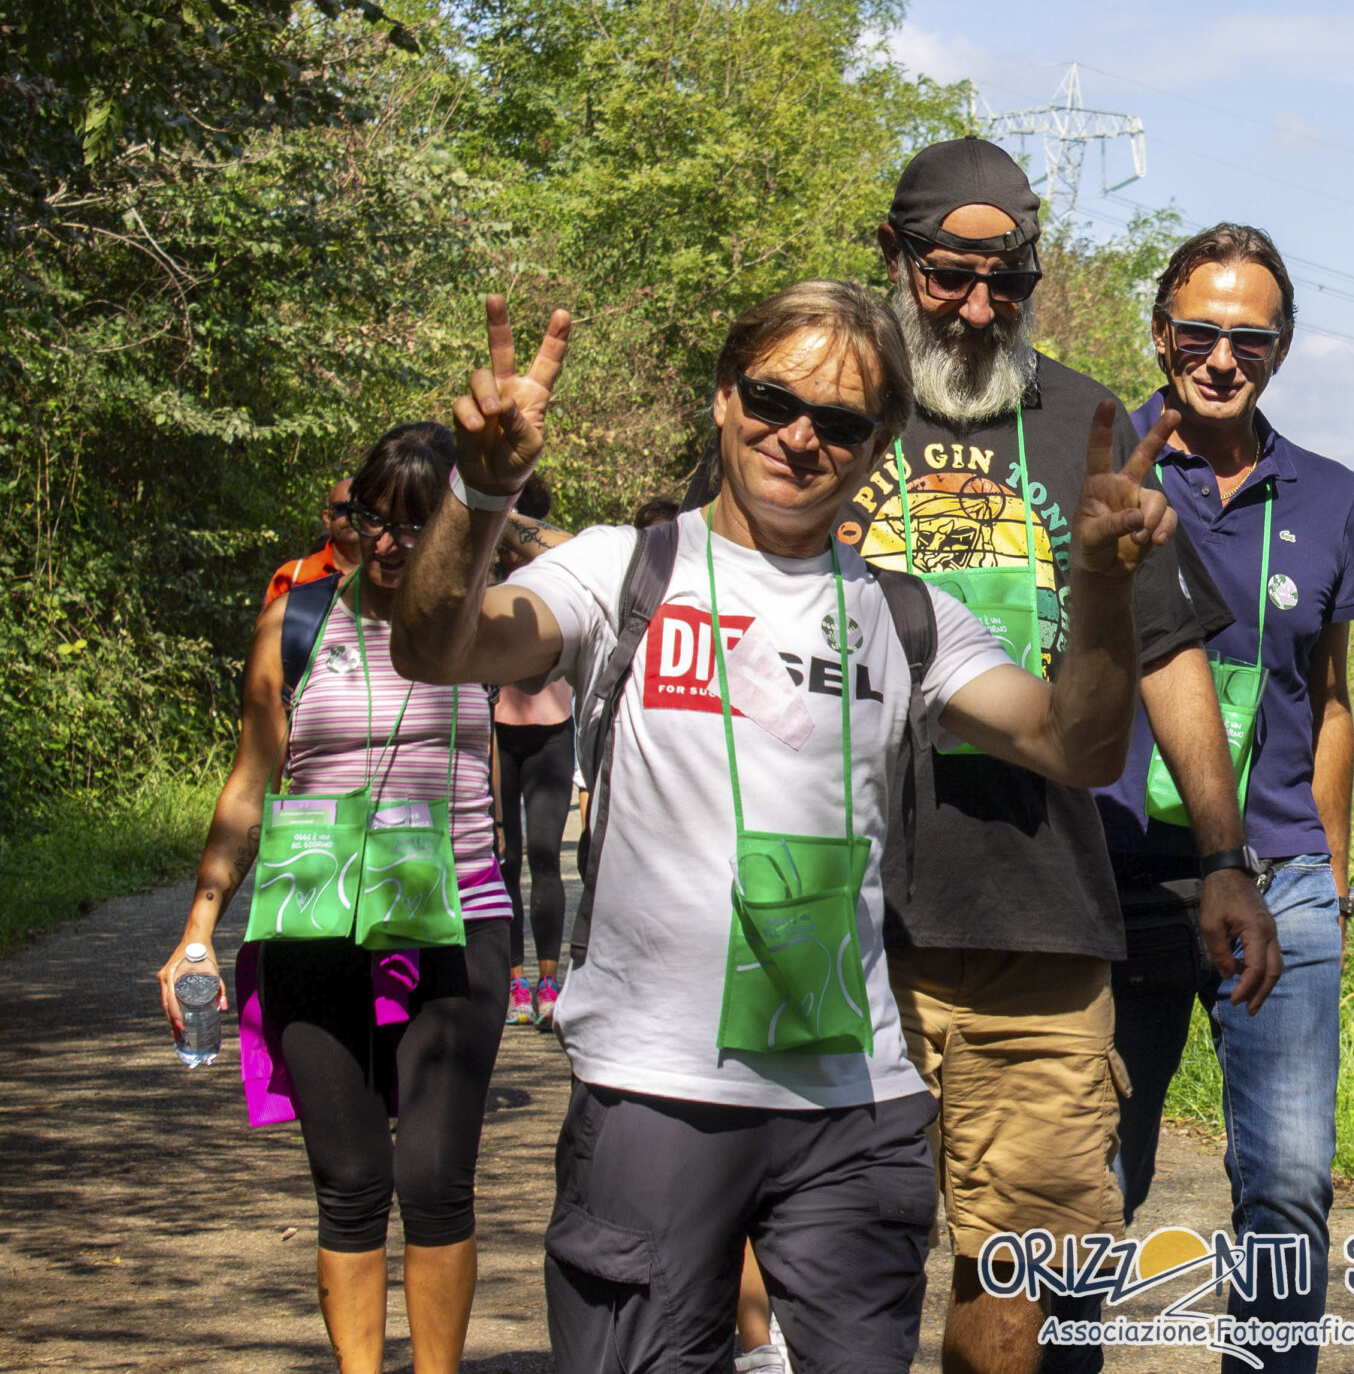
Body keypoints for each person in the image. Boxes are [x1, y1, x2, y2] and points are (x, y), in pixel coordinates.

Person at [390, 282, 1185, 1374]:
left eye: (841, 422)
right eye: (773, 400)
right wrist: (482, 491)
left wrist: (1099, 583)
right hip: (655, 1093)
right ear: (724, 396)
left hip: (855, 1108)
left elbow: (1078, 746)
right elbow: (437, 646)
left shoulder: (908, 616)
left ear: (878, 447)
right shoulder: (623, 570)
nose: (800, 438)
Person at [843, 138, 1279, 1374]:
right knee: (830, 1254)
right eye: (949, 277)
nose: (980, 309)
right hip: (835, 909)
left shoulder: (1088, 423)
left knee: (1016, 1270)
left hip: (1033, 916)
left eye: (1009, 280)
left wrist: (1225, 858)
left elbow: (1169, 656)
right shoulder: (821, 409)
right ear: (893, 257)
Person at [158, 422, 512, 1374]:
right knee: (351, 1180)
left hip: (457, 920)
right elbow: (248, 781)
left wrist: (492, 502)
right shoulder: (299, 620)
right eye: (371, 519)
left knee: (433, 1179)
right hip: (313, 915)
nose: (387, 544)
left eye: (416, 523)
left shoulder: (490, 618)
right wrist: (197, 930)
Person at [1098, 225, 1354, 1373]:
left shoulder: (1331, 495)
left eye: (1249, 339)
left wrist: (1331, 878)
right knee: (1094, 1189)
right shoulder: (1103, 465)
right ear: (1159, 332)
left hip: (1279, 879)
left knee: (1290, 1190)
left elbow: (1332, 698)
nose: (1220, 358)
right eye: (1198, 332)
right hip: (1118, 872)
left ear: (1282, 346)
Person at [492, 470, 578, 1028]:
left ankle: (549, 980)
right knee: (503, 858)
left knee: (546, 854)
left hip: (553, 730)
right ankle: (511, 980)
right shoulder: (483, 577)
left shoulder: (561, 571)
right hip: (495, 733)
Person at [264, 476, 362, 605]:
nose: (350, 516)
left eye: (359, 509)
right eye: (342, 509)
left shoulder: (385, 575)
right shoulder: (292, 575)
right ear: (327, 518)